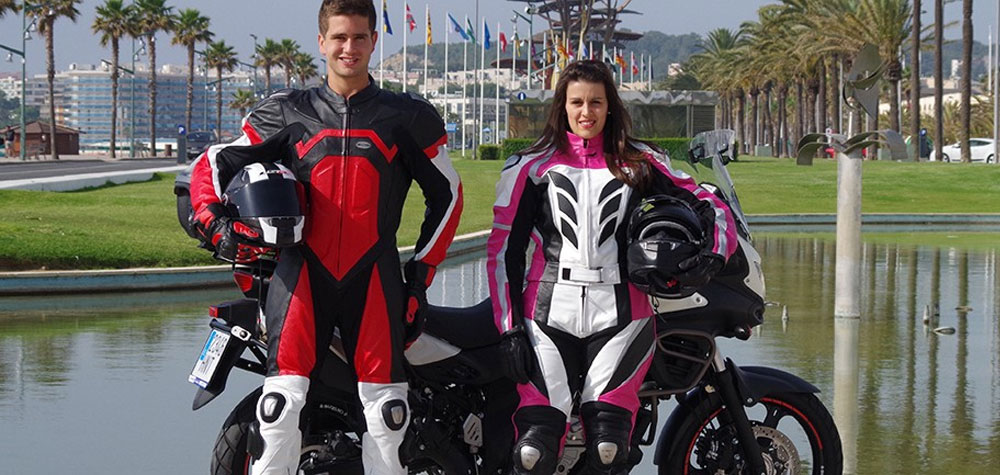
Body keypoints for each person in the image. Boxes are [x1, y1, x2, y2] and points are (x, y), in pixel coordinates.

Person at [187, 1, 463, 474]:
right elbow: (214, 163)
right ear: (321, 42)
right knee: (278, 408)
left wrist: (420, 276)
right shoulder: (288, 111)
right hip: (300, 278)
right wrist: (212, 218)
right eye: (339, 37)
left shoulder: (406, 117)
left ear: (373, 41)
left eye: (359, 37)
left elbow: (449, 196)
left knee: (387, 414)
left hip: (374, 279)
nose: (348, 47)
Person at [487, 60, 736, 474]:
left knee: (609, 447)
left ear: (610, 106)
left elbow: (711, 204)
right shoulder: (530, 167)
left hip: (623, 315)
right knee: (533, 451)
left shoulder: (640, 162)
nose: (586, 112)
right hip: (546, 314)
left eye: (596, 102)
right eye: (577, 102)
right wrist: (509, 330)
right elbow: (502, 253)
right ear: (562, 107)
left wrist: (713, 254)